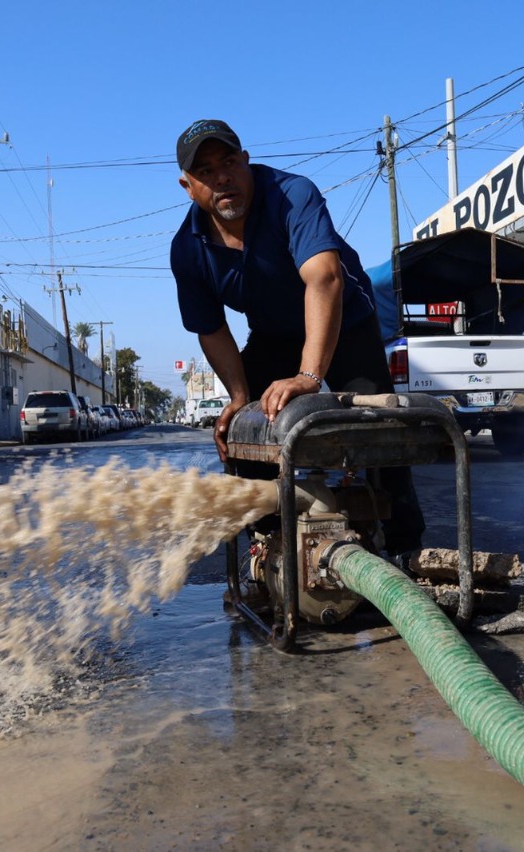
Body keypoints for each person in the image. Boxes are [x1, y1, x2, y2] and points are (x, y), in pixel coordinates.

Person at [170, 118, 424, 556]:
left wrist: (309, 375)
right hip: (272, 333)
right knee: (243, 428)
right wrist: (236, 395)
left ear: (246, 162)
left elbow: (324, 278)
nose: (221, 177)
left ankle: (405, 548)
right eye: (205, 171)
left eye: (228, 162)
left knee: (381, 433)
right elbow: (210, 329)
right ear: (188, 186)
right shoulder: (187, 248)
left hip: (344, 323)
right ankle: (272, 548)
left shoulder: (293, 194)